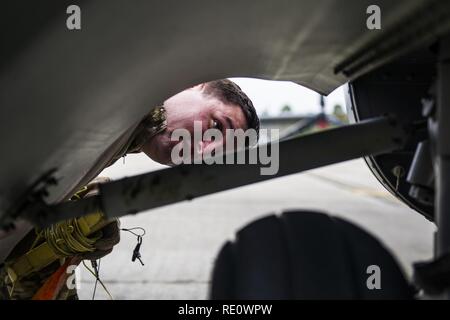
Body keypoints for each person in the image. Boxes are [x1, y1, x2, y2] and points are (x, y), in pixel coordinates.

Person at [0, 79, 259, 299]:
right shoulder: (111, 94)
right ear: (195, 84)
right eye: (215, 127)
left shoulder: (117, 135)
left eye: (213, 156)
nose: (200, 151)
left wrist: (56, 227)